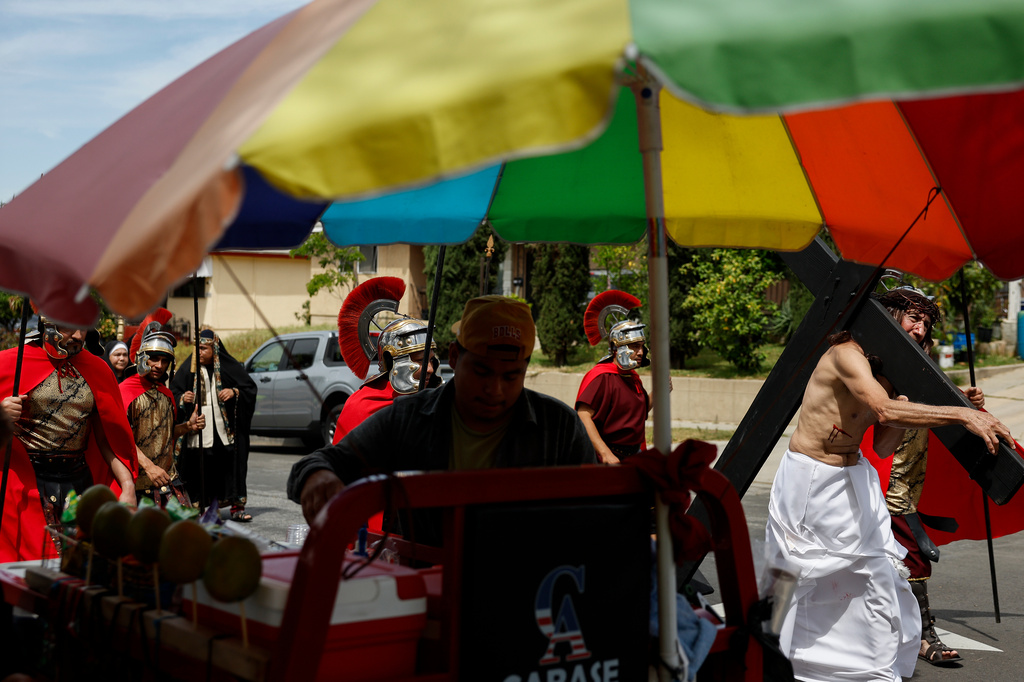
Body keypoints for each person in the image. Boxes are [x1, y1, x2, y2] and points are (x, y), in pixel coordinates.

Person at [765, 288, 1013, 681]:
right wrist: (958, 414)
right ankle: (776, 656)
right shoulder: (847, 352)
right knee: (799, 574)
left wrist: (946, 402)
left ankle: (873, 668)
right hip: (812, 476)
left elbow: (882, 441)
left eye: (926, 324)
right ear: (889, 315)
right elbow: (883, 408)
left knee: (881, 575)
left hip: (854, 475)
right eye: (913, 318)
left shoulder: (888, 369)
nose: (920, 329)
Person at [287, 295, 596, 536]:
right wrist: (318, 477)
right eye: (482, 372)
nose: (495, 390)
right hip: (422, 590)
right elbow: (316, 462)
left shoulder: (561, 430)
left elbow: (595, 515)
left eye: (512, 376)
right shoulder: (408, 419)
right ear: (454, 356)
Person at [0, 315, 137, 561]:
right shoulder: (11, 363)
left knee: (81, 569)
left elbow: (108, 438)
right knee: (33, 571)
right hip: (25, 487)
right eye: (68, 326)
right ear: (47, 325)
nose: (77, 335)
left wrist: (127, 487)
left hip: (79, 484)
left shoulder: (97, 369)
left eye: (83, 328)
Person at [332, 276, 440, 445]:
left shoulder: (435, 402)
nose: (430, 369)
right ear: (393, 361)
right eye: (421, 360)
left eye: (432, 360)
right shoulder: (361, 406)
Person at [170, 328, 257, 520]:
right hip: (198, 429)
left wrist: (234, 392)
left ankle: (236, 507)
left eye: (203, 349)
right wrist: (183, 398)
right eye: (197, 349)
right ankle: (204, 507)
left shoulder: (228, 367)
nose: (199, 352)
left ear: (214, 349)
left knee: (229, 466)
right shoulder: (188, 369)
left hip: (224, 431)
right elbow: (173, 393)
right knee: (201, 468)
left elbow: (249, 388)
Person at [120, 328, 204, 507]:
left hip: (167, 482)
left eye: (165, 361)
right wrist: (149, 467)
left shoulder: (167, 394)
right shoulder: (124, 392)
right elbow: (120, 440)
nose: (159, 365)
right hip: (137, 484)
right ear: (142, 358)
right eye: (154, 359)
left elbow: (165, 435)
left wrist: (188, 426)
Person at [576, 290, 653, 463]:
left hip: (633, 457)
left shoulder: (632, 377)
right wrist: (605, 454)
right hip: (608, 460)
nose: (640, 352)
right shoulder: (602, 377)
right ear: (617, 348)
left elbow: (634, 416)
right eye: (634, 346)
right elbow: (583, 415)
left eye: (641, 346)